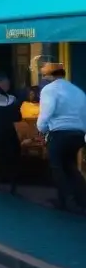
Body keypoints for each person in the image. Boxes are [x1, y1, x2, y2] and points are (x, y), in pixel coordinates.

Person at [37, 62, 86, 212]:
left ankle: (67, 201)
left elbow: (46, 112)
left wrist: (41, 129)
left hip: (59, 133)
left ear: (50, 75)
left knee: (57, 167)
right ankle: (82, 200)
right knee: (71, 167)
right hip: (78, 134)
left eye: (44, 75)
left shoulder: (49, 90)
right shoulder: (77, 91)